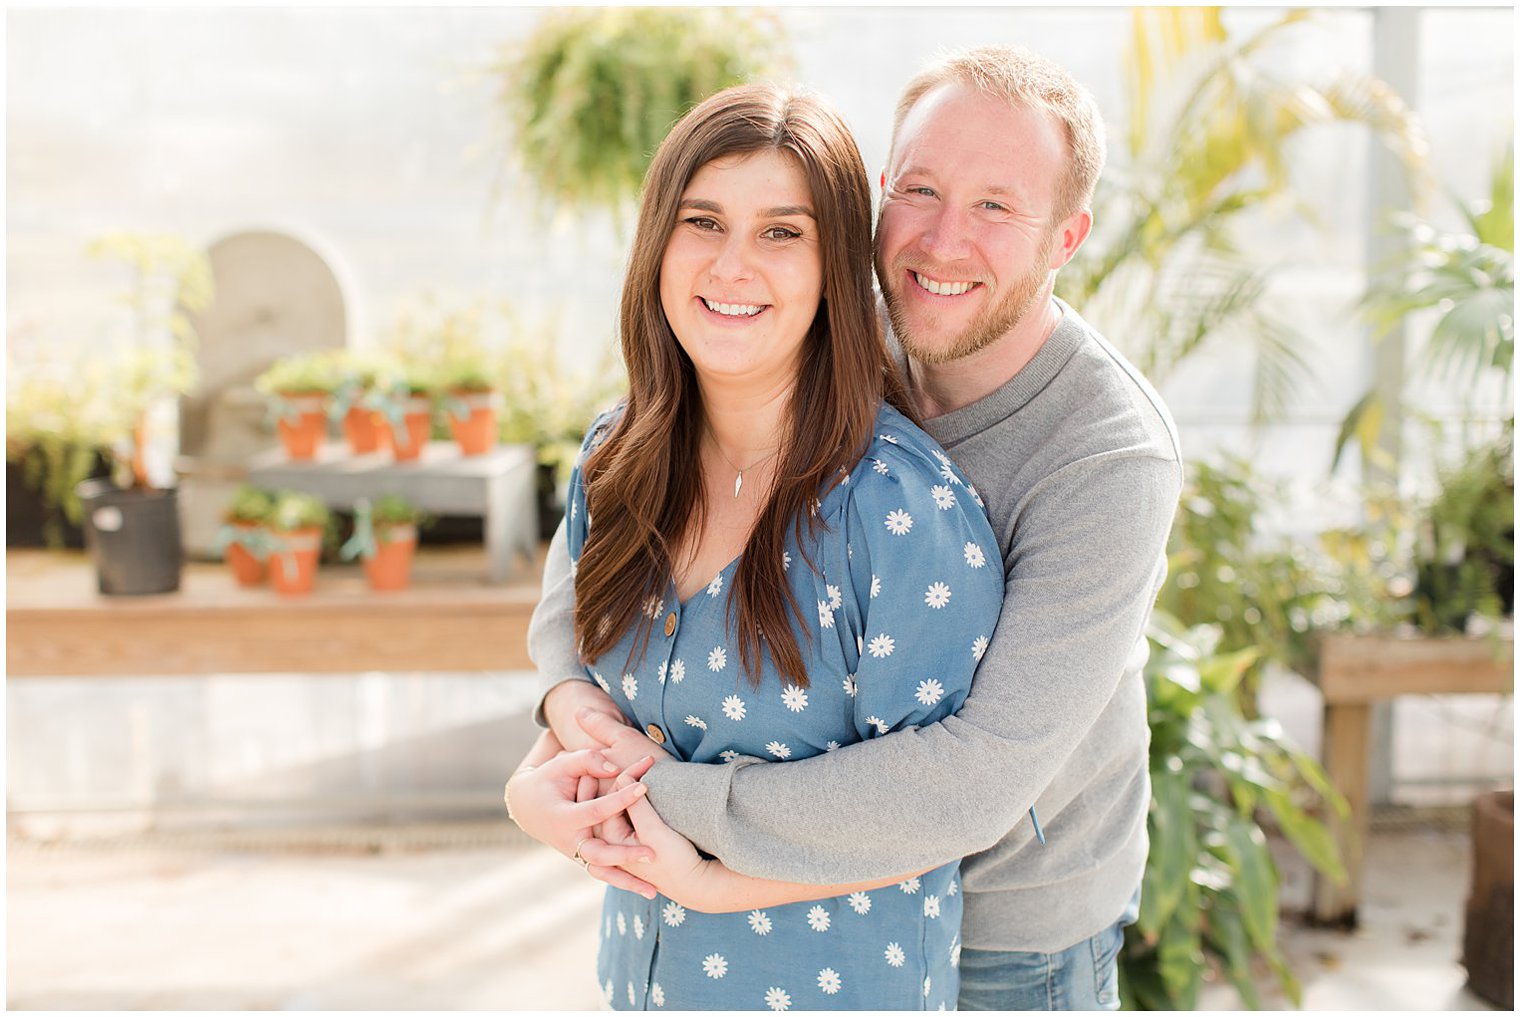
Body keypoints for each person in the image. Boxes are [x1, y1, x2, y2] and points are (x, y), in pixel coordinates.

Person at [523, 45, 1184, 1011]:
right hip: (754, 906)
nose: (943, 241)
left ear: (1067, 237)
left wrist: (665, 801)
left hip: (1011, 927)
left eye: (997, 206)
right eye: (919, 189)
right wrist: (568, 729)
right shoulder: (819, 325)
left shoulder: (1107, 456)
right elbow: (584, 579)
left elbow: (975, 774)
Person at [506, 82, 1006, 1010]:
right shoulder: (618, 458)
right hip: (644, 981)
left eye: (782, 232)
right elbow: (574, 675)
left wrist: (705, 883)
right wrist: (535, 796)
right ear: (658, 240)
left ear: (831, 270)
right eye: (703, 221)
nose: (733, 265)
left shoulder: (899, 512)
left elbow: (924, 820)